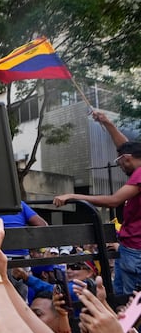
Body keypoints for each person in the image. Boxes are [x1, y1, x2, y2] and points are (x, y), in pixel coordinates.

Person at [54, 110, 141, 294]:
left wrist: (74, 196)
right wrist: (106, 122)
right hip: (130, 249)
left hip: (136, 250)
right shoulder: (133, 158)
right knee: (121, 302)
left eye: (120, 163)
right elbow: (125, 147)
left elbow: (113, 200)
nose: (121, 168)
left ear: (127, 159)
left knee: (131, 306)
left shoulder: (139, 174)